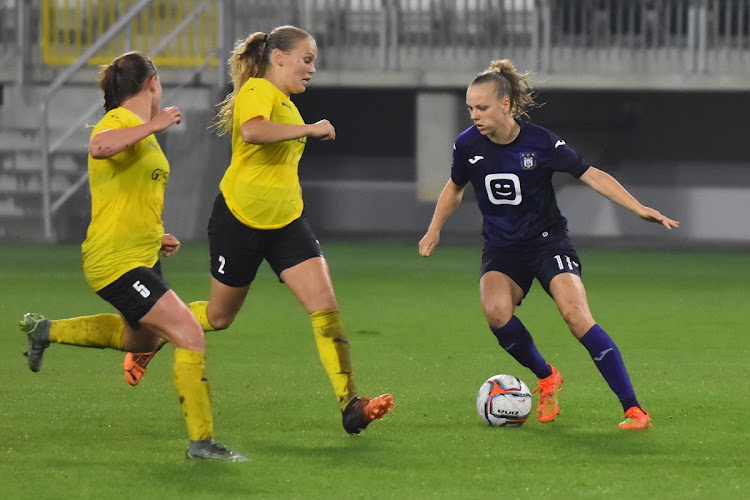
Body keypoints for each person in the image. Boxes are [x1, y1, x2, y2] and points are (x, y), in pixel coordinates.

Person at [123, 26, 393, 435]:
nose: (312, 68)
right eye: (307, 59)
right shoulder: (258, 91)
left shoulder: (284, 102)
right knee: (218, 316)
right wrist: (310, 129)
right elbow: (252, 131)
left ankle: (350, 405)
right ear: (279, 58)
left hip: (287, 222)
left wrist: (303, 129)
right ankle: (155, 333)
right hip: (240, 220)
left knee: (326, 309)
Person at [419, 59, 679, 429]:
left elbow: (592, 174)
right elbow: (455, 187)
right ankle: (546, 375)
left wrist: (637, 207)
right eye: (471, 108)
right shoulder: (467, 145)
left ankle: (633, 408)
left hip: (548, 245)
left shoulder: (541, 142)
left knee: (576, 316)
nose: (474, 115)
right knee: (496, 314)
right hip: (502, 250)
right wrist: (434, 229)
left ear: (505, 105)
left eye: (482, 107)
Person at [20, 51, 246, 461]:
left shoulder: (142, 131)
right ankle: (202, 443)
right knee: (188, 333)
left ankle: (45, 331)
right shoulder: (120, 122)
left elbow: (126, 194)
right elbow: (99, 146)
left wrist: (157, 235)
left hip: (140, 255)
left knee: (138, 337)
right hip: (115, 260)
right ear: (152, 84)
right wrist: (155, 124)